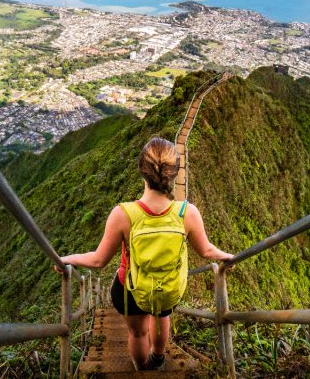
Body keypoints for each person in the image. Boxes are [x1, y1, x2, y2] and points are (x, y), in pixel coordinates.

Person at [57, 137, 234, 371]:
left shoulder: (123, 214)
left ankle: (141, 368)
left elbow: (98, 260)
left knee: (138, 332)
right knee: (162, 319)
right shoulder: (187, 213)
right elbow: (206, 250)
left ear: (142, 171)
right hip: (168, 286)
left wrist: (67, 259)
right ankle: (158, 358)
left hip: (130, 288)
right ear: (174, 174)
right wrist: (227, 257)